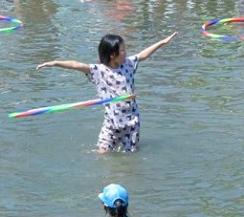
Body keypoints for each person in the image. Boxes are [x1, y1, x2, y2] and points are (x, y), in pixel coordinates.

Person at [36, 31, 178, 154]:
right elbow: (76, 65)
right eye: (122, 50)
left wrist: (162, 42)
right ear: (112, 55)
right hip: (111, 122)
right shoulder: (99, 71)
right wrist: (54, 63)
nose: (126, 52)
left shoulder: (128, 64)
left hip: (131, 122)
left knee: (130, 157)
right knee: (102, 154)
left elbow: (143, 55)